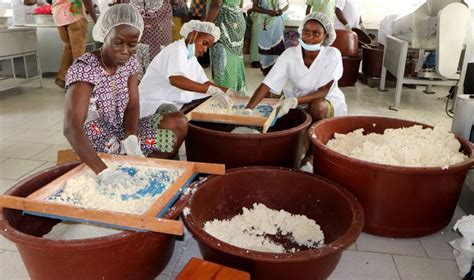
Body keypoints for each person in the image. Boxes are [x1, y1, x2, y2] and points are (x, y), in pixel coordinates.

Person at [63, 4, 188, 181]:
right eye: (118, 43)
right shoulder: (85, 69)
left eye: (132, 45)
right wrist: (103, 172)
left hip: (122, 132)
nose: (125, 51)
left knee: (178, 122)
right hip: (98, 141)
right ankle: (112, 172)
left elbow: (132, 105)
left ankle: (145, 173)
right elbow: (71, 127)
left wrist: (131, 138)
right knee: (91, 127)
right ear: (105, 36)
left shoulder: (130, 63)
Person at [246, 12, 347, 123]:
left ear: (325, 36)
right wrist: (248, 109)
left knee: (317, 107)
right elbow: (267, 84)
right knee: (268, 95)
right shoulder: (290, 54)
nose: (309, 37)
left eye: (316, 33)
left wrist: (294, 101)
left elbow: (323, 92)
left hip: (326, 100)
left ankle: (314, 135)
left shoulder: (332, 55)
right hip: (298, 97)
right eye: (306, 32)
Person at [139, 20, 235, 117]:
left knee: (211, 102)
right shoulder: (176, 49)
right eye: (204, 43)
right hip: (153, 103)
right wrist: (213, 90)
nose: (205, 50)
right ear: (193, 35)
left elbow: (205, 83)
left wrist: (230, 92)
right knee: (176, 116)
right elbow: (176, 80)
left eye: (208, 47)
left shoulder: (191, 57)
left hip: (174, 102)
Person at [23, 0, 98, 89]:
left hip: (59, 15)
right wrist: (96, 21)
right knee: (78, 50)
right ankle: (78, 83)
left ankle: (62, 78)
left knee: (69, 47)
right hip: (74, 13)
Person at [206, 0, 247, 94]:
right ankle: (237, 95)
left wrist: (205, 26)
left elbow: (216, 5)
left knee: (222, 61)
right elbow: (240, 4)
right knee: (235, 59)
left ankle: (226, 94)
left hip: (225, 22)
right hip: (237, 19)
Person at [252, 0, 288, 75]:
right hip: (264, 23)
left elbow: (286, 4)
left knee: (278, 44)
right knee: (266, 45)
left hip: (277, 21)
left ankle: (277, 69)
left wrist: (281, 10)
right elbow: (254, 7)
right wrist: (267, 12)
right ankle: (266, 68)